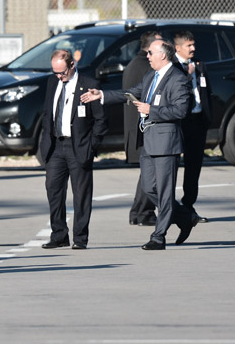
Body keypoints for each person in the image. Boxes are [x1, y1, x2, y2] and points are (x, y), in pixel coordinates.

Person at [81, 40, 198, 250]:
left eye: (151, 53)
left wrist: (151, 110)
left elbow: (180, 111)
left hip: (165, 143)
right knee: (148, 187)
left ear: (163, 55)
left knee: (164, 192)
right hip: (148, 141)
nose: (148, 56)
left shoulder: (178, 79)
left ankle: (159, 237)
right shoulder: (151, 76)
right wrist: (102, 95)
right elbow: (131, 92)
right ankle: (184, 217)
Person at [38, 50, 107, 250]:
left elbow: (101, 120)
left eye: (62, 72)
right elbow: (47, 113)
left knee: (81, 194)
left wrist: (91, 145)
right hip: (56, 145)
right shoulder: (53, 83)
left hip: (79, 146)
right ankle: (59, 234)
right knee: (53, 189)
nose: (59, 77)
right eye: (55, 73)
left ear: (72, 66)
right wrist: (46, 139)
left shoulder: (90, 85)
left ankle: (80, 237)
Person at [172, 30, 212, 223]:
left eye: (194, 45)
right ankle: (169, 209)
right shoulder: (172, 67)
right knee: (171, 166)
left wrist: (207, 117)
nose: (193, 48)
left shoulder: (199, 65)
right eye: (189, 45)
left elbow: (207, 92)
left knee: (194, 167)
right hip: (180, 122)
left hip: (197, 122)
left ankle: (188, 206)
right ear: (178, 48)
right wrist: (187, 78)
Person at [125, 31, 162, 227]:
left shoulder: (136, 64)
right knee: (150, 174)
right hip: (144, 130)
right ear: (150, 48)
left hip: (138, 129)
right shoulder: (145, 67)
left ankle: (139, 212)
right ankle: (144, 212)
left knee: (147, 174)